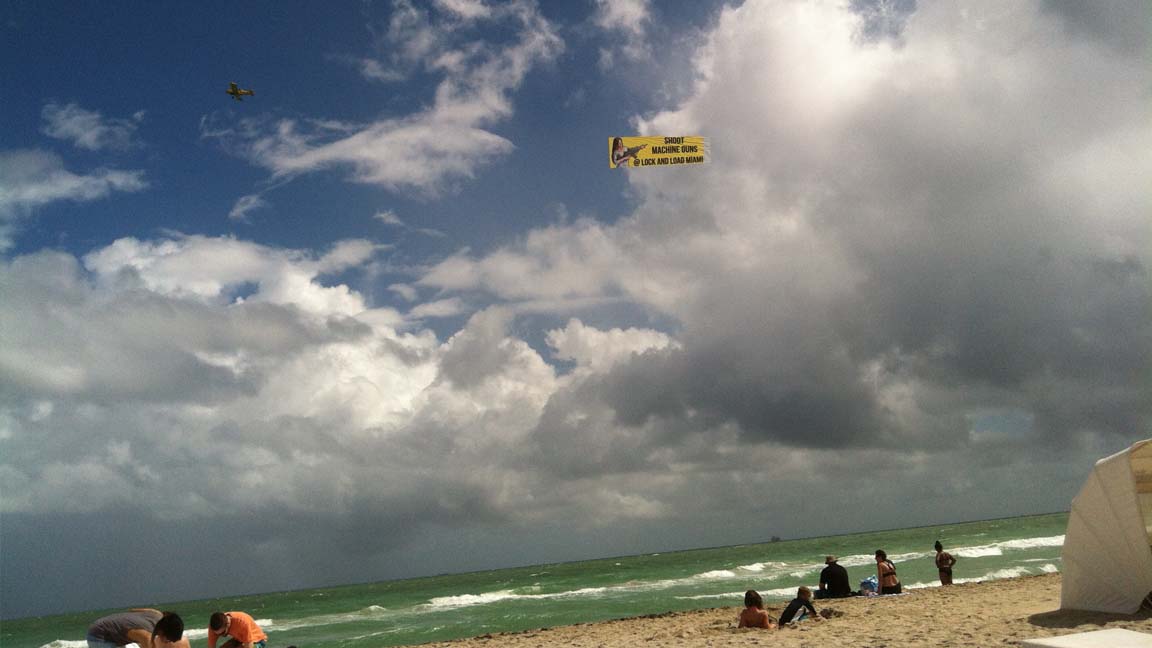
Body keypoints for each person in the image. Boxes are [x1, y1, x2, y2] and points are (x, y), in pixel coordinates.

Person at [86, 609, 187, 648]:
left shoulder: (157, 614)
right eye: (168, 640)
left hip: (107, 629)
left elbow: (133, 610)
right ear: (165, 632)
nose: (166, 642)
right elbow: (147, 642)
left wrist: (125, 623)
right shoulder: (145, 634)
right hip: (99, 635)